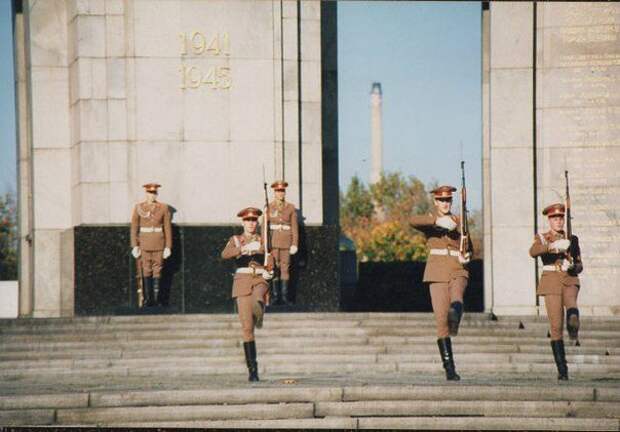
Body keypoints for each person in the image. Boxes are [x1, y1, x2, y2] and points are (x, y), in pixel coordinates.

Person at [410, 185, 472, 381]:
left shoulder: (460, 220)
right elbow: (413, 220)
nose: (445, 203)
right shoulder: (431, 220)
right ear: (436, 202)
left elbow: (469, 246)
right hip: (436, 271)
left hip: (457, 267)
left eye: (448, 200)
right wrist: (437, 220)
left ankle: (456, 314)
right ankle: (450, 369)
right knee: (441, 322)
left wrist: (467, 255)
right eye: (442, 200)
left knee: (457, 298)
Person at [529, 203, 583, 380]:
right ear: (549, 220)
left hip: (569, 278)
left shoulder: (572, 238)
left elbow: (580, 264)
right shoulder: (543, 238)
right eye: (555, 218)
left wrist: (574, 266)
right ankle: (562, 369)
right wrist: (552, 247)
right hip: (551, 281)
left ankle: (573, 320)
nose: (559, 221)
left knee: (572, 304)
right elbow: (533, 251)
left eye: (561, 218)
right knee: (556, 326)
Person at [221, 207, 273, 382]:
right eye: (248, 220)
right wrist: (242, 249)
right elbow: (225, 254)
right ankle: (253, 369)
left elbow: (270, 260)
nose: (251, 223)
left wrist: (270, 272)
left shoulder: (263, 239)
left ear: (257, 222)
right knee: (247, 329)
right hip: (242, 282)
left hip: (259, 279)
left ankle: (259, 311)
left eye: (254, 220)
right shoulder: (236, 240)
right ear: (243, 222)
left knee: (258, 299)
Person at [130, 183, 172, 307]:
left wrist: (168, 246)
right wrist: (134, 245)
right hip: (144, 243)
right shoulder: (139, 207)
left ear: (156, 194)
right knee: (146, 270)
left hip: (159, 242)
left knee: (157, 270)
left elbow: (167, 227)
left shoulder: (163, 208)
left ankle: (158, 299)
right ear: (146, 194)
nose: (152, 195)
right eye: (149, 193)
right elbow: (134, 227)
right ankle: (149, 299)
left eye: (154, 193)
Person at [266, 180, 299, 305]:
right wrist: (265, 243)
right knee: (273, 268)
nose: (280, 193)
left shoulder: (290, 208)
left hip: (286, 242)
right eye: (278, 191)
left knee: (285, 268)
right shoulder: (269, 207)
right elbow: (265, 226)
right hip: (273, 242)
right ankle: (275, 297)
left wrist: (295, 243)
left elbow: (294, 227)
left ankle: (284, 297)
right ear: (274, 193)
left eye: (282, 191)